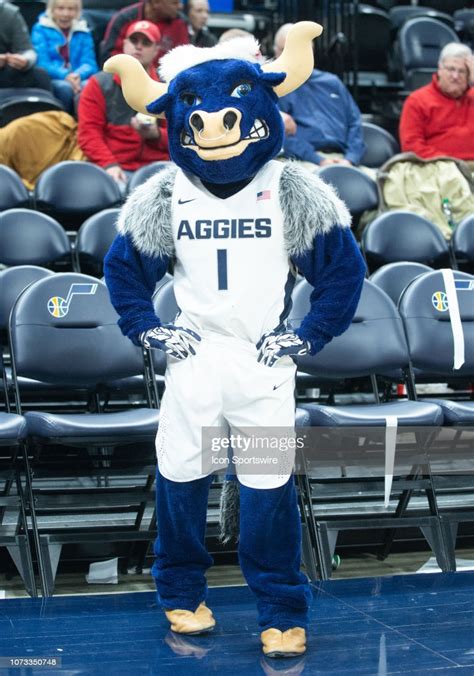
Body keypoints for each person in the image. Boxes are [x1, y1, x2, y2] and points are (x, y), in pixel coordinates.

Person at [103, 23, 366, 657]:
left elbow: (343, 273)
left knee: (269, 488)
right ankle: (180, 594)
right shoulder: (165, 192)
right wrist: (145, 326)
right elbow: (123, 269)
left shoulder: (293, 187)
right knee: (180, 479)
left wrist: (309, 336)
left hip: (262, 357)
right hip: (193, 355)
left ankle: (281, 608)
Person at [77, 20, 169, 191]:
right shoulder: (99, 83)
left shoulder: (167, 86)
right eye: (134, 41)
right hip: (116, 167)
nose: (138, 47)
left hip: (158, 168)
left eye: (146, 43)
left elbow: (181, 137)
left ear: (156, 50)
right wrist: (109, 164)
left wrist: (157, 134)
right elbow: (89, 133)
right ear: (125, 44)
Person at [274, 23, 366, 171]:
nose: (297, 55)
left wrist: (351, 158)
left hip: (345, 159)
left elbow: (355, 123)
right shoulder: (274, 88)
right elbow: (280, 136)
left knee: (380, 184)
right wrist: (318, 160)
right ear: (277, 52)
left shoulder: (332, 82)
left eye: (303, 49)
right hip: (301, 162)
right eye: (289, 50)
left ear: (312, 50)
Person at [399, 43, 474, 173]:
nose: (455, 76)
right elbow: (411, 146)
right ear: (439, 69)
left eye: (462, 71)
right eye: (451, 69)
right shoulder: (417, 100)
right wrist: (449, 163)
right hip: (438, 169)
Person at [31, 0, 98, 113]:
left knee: (89, 86)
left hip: (79, 77)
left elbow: (90, 63)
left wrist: (78, 75)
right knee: (65, 88)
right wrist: (65, 75)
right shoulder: (40, 29)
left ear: (77, 12)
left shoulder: (84, 30)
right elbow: (42, 63)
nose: (65, 14)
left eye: (71, 9)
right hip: (54, 78)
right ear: (52, 10)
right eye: (60, 8)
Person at [101, 0, 188, 68]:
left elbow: (183, 60)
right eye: (174, 3)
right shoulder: (125, 19)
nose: (180, 7)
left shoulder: (180, 23)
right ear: (156, 2)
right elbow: (108, 57)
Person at [0, 0, 51, 92]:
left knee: (40, 76)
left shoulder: (9, 13)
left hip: (6, 69)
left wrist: (25, 60)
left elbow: (28, 50)